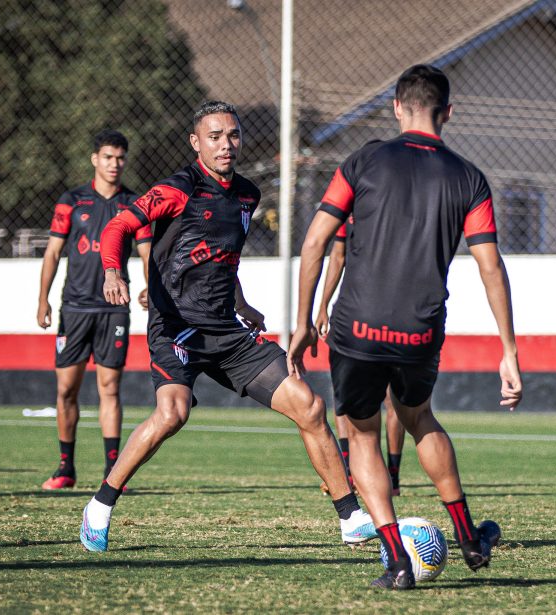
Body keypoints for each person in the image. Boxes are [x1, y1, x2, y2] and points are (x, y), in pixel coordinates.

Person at [79, 100, 376, 554]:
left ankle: (351, 519)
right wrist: (112, 272)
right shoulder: (177, 189)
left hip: (228, 331)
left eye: (233, 135)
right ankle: (100, 505)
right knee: (173, 414)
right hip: (177, 328)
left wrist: (242, 303)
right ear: (196, 142)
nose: (226, 144)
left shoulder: (247, 195)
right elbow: (118, 227)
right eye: (214, 136)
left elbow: (221, 257)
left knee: (309, 406)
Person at [289, 65, 522, 591]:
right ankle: (468, 537)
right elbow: (491, 266)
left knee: (363, 433)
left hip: (356, 328)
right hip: (419, 329)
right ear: (448, 112)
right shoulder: (469, 177)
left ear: (397, 107)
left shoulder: (364, 159)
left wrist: (303, 323)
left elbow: (313, 244)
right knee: (419, 417)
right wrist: (508, 350)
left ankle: (397, 562)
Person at [37, 130, 151, 490]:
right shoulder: (71, 201)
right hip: (74, 308)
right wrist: (44, 299)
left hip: (114, 309)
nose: (114, 164)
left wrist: (149, 285)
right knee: (66, 390)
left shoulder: (135, 204)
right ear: (94, 159)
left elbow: (147, 252)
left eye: (120, 158)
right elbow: (53, 253)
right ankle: (65, 468)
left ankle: (112, 472)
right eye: (107, 157)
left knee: (109, 388)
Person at [316, 220, 406, 497]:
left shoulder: (404, 208)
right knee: (343, 391)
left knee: (394, 398)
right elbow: (337, 256)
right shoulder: (349, 208)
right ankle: (349, 470)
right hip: (353, 311)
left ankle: (392, 474)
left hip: (396, 310)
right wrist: (322, 307)